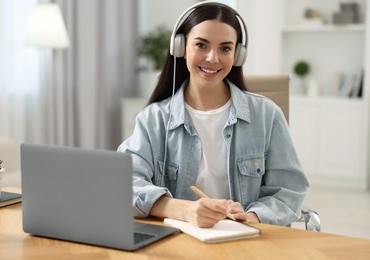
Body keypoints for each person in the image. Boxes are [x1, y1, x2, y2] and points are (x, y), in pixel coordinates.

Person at [118, 1, 309, 228]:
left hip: (244, 238)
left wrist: (250, 217)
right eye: (201, 45)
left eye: (225, 48)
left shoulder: (267, 115)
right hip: (177, 240)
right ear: (181, 47)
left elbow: (288, 191)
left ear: (237, 55)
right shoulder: (153, 119)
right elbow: (123, 183)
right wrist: (185, 210)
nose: (212, 58)